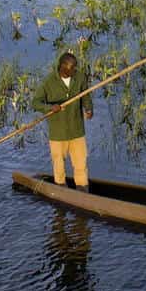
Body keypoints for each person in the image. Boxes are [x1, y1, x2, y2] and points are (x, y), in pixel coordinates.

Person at [35, 51, 92, 190]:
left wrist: (88, 108)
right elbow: (35, 102)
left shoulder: (80, 77)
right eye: (72, 68)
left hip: (77, 130)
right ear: (63, 68)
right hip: (58, 133)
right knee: (59, 165)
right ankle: (60, 188)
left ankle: (83, 190)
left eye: (75, 67)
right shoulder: (48, 82)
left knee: (81, 164)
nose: (75, 70)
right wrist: (49, 108)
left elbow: (85, 95)